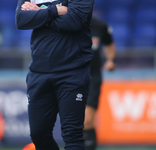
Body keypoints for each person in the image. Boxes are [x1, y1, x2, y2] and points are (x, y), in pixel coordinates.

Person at [15, 0, 94, 149]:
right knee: (39, 135)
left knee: (72, 135)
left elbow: (73, 21)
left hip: (72, 71)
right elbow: (21, 20)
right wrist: (54, 11)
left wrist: (39, 13)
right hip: (39, 72)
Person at [83, 16, 116, 150]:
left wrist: (110, 60)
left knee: (87, 120)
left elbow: (109, 44)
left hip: (92, 76)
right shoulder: (67, 22)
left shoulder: (100, 26)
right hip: (71, 75)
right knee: (73, 121)